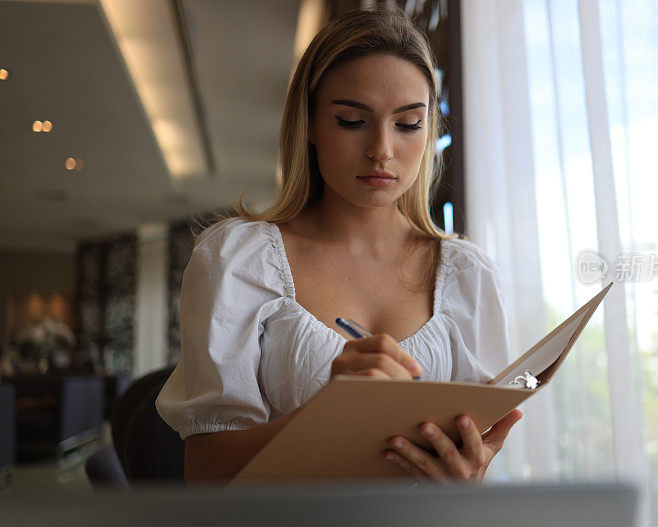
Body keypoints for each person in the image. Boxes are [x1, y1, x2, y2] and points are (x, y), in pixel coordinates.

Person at [155, 4, 522, 485]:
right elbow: (206, 473)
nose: (382, 151)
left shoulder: (468, 274)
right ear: (308, 124)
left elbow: (476, 455)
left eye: (408, 124)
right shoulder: (238, 261)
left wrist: (467, 474)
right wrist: (325, 413)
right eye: (352, 120)